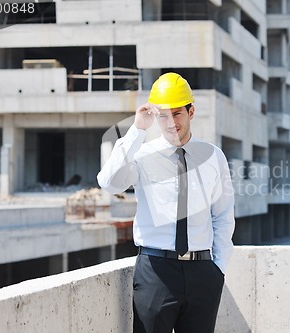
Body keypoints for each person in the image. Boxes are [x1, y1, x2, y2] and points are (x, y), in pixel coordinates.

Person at [97, 72, 235, 333]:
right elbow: (109, 182)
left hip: (202, 272)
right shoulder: (142, 154)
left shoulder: (214, 156)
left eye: (177, 113)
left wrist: (218, 268)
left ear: (191, 111)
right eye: (163, 115)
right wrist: (137, 130)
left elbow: (223, 214)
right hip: (155, 271)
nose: (171, 122)